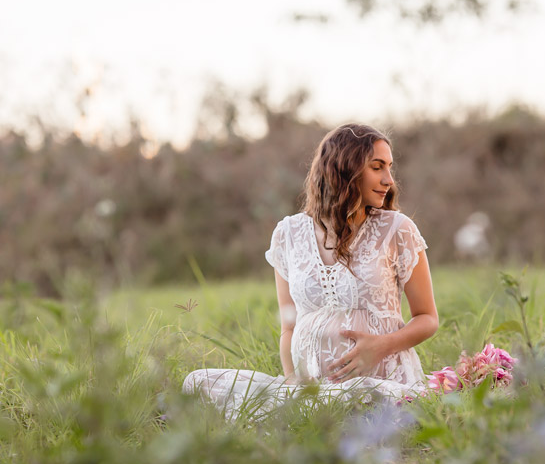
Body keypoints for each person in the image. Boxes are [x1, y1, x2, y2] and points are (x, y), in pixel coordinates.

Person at [182, 123, 438, 419]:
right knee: (197, 382)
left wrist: (382, 346)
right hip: (311, 387)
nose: (389, 180)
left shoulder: (397, 229)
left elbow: (428, 318)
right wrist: (293, 382)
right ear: (344, 169)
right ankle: (302, 407)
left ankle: (309, 414)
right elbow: (289, 327)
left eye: (389, 168)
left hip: (378, 385)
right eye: (377, 167)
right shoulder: (288, 233)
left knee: (356, 395)